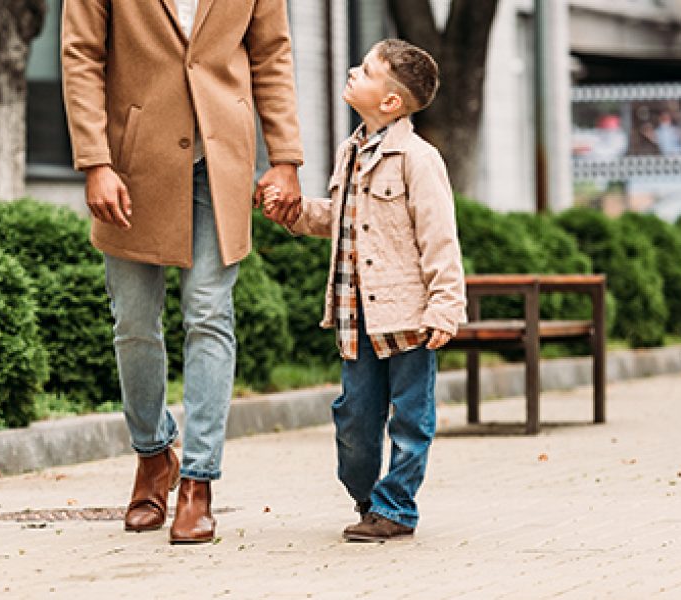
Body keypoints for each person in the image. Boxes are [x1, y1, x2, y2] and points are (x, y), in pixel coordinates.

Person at [61, 0, 304, 544]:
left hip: (221, 159)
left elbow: (271, 55)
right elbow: (80, 57)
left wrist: (285, 156)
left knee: (209, 313)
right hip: (132, 161)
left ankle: (198, 481)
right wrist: (95, 162)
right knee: (134, 323)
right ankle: (153, 455)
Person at [261, 39, 465, 542]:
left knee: (411, 419)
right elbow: (342, 219)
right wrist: (297, 214)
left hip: (409, 315)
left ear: (391, 101)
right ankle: (367, 496)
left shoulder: (417, 159)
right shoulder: (350, 151)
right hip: (355, 312)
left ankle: (396, 508)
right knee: (354, 416)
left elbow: (439, 236)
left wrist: (445, 307)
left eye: (367, 69)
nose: (354, 71)